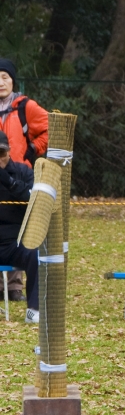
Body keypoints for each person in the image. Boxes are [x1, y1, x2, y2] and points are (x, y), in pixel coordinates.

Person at [0, 58, 47, 302]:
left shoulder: (24, 106)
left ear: (13, 80)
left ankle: (14, 287)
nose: (0, 83)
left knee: (19, 230)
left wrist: (32, 150)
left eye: (5, 77)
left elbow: (49, 126)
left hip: (18, 174)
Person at [0, 131, 38, 322]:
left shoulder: (23, 172)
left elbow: (34, 199)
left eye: (1, 153)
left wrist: (8, 180)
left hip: (13, 242)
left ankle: (34, 309)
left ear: (9, 152)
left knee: (35, 253)